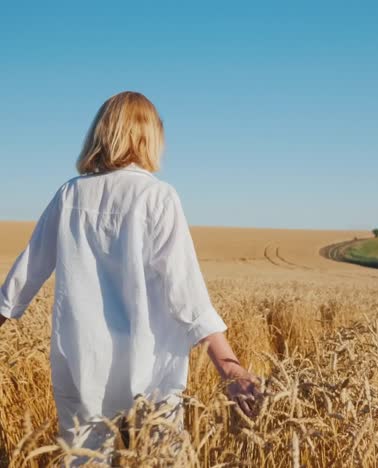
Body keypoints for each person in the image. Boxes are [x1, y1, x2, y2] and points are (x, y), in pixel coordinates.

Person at [0, 91, 262, 465]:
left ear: (101, 133)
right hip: (151, 366)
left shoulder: (70, 194)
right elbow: (185, 291)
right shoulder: (158, 197)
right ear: (151, 137)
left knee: (84, 460)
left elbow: (27, 272)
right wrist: (228, 366)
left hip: (82, 360)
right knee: (163, 459)